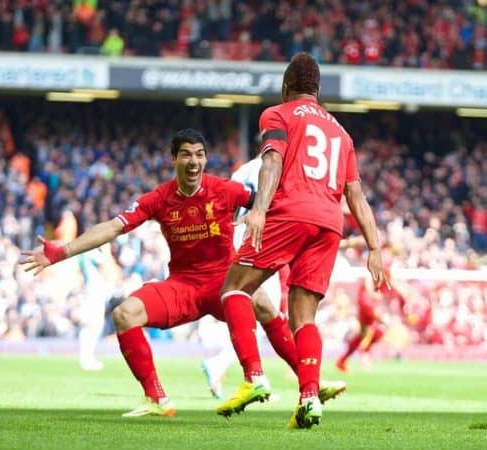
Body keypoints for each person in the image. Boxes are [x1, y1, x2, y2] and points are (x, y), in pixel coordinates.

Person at [20, 128, 316, 418]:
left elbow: (273, 204)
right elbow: (112, 227)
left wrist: (289, 216)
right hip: (183, 286)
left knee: (262, 302)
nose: (193, 162)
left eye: (199, 155)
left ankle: (307, 385)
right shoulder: (159, 198)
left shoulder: (224, 189)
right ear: (173, 159)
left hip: (223, 282)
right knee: (124, 314)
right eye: (186, 155)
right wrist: (61, 252)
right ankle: (157, 398)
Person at [215, 52, 387, 429]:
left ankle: (253, 377)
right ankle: (309, 398)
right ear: (318, 90)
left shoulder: (277, 114)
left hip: (291, 212)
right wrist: (374, 248)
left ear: (285, 86)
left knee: (234, 290)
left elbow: (272, 162)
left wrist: (259, 209)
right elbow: (355, 195)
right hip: (329, 223)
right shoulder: (341, 133)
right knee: (303, 316)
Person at [201, 156, 346, 402]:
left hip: (244, 244)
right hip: (257, 245)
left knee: (266, 312)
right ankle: (251, 376)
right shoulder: (279, 169)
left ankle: (288, 379)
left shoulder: (244, 170)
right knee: (267, 312)